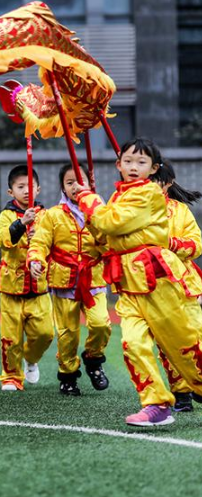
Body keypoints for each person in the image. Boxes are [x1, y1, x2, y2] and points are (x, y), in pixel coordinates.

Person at [77, 138, 202, 426]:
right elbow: (106, 236)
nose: (134, 167)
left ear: (154, 169)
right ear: (118, 164)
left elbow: (113, 223)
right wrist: (94, 230)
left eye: (142, 162)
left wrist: (88, 200)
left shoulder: (148, 193)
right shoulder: (117, 197)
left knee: (185, 348)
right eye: (128, 161)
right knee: (133, 344)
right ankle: (156, 404)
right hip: (129, 284)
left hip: (159, 281)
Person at [28, 164, 111, 396]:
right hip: (64, 281)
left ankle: (94, 360)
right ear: (62, 187)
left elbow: (109, 244)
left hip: (93, 279)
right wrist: (35, 260)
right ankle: (68, 376)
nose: (75, 186)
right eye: (69, 182)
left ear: (90, 182)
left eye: (80, 180)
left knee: (101, 324)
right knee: (68, 333)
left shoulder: (101, 212)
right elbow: (40, 243)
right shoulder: (53, 215)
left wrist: (98, 223)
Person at [0, 165, 53, 391]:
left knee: (45, 333)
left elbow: (52, 244)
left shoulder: (46, 216)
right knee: (10, 338)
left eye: (30, 186)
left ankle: (31, 358)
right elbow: (2, 240)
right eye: (20, 187)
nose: (26, 191)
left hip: (39, 287)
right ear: (11, 192)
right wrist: (21, 224)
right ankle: (11, 377)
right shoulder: (6, 215)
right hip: (11, 287)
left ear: (38, 188)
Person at [153, 160, 202, 412]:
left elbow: (196, 244)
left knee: (195, 334)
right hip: (153, 286)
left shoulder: (180, 211)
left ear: (169, 184)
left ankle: (198, 382)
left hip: (184, 283)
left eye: (157, 180)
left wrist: (171, 244)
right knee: (167, 342)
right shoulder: (131, 209)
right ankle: (181, 392)